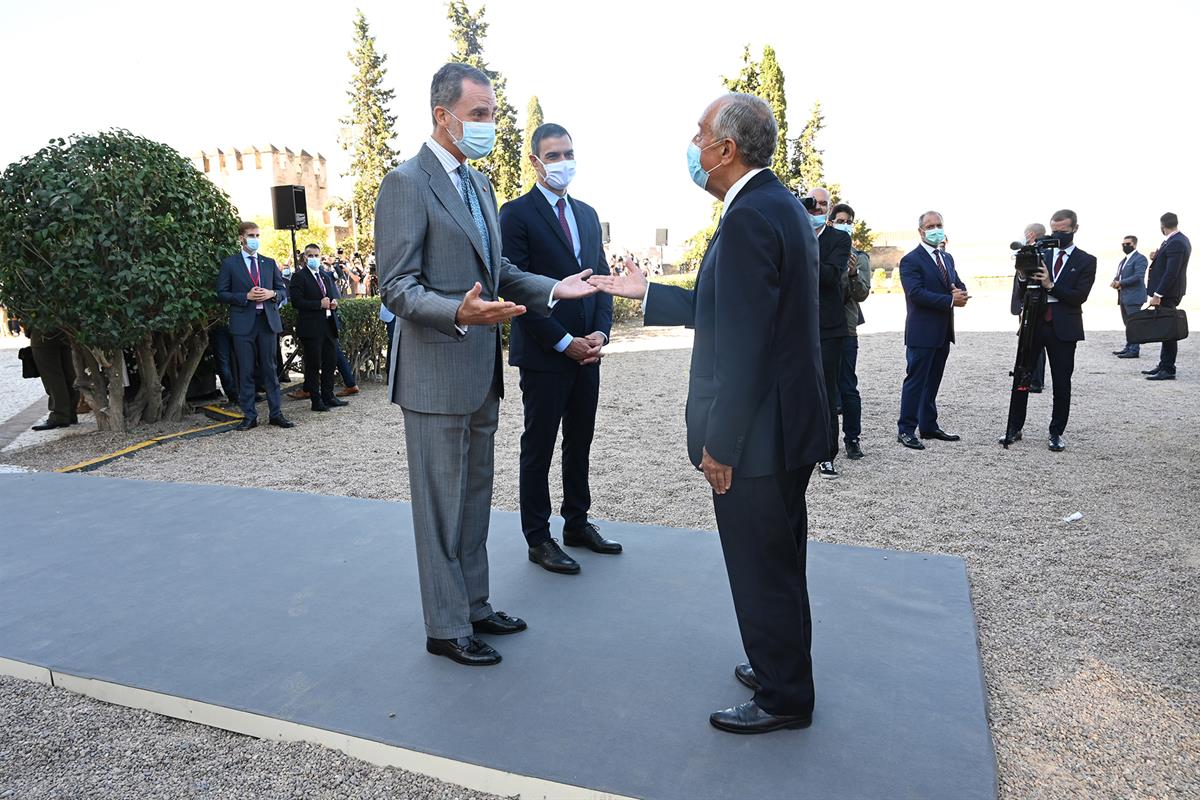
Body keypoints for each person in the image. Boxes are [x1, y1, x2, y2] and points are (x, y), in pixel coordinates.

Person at [590, 92, 829, 735]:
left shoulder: (751, 214)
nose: (693, 145)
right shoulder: (773, 205)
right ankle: (779, 664)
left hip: (757, 434)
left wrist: (721, 443)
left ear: (727, 148)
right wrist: (649, 292)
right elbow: (730, 308)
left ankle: (783, 696)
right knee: (779, 556)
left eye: (700, 134)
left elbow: (747, 344)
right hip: (786, 421)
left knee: (760, 563)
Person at [374, 62, 597, 667]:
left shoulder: (478, 185)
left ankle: (474, 606)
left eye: (492, 115)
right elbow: (396, 287)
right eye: (479, 116)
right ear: (442, 116)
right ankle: (444, 627)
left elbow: (499, 275)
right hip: (434, 373)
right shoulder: (405, 183)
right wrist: (457, 313)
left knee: (473, 498)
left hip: (479, 373)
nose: (488, 126)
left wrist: (558, 289)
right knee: (440, 507)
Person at [499, 122, 618, 576]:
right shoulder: (516, 215)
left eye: (567, 153)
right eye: (552, 155)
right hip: (547, 354)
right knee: (539, 445)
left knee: (580, 441)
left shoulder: (587, 214)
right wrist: (564, 342)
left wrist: (600, 336)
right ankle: (538, 537)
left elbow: (601, 279)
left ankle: (577, 522)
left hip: (588, 353)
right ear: (534, 161)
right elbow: (516, 289)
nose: (562, 162)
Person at [1001, 209, 1096, 450]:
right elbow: (1022, 289)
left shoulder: (1086, 260)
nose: (1057, 235)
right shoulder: (1041, 253)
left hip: (1064, 327)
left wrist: (1050, 285)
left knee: (1062, 382)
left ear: (1075, 228)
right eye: (1054, 230)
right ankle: (1014, 428)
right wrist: (1022, 275)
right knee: (1022, 376)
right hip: (1034, 323)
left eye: (1063, 231)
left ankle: (1056, 432)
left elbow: (1078, 297)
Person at [897, 211, 967, 450]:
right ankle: (906, 429)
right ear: (920, 231)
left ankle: (928, 425)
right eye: (930, 226)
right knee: (916, 381)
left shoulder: (947, 257)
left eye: (939, 225)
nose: (935, 229)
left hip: (943, 331)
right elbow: (915, 294)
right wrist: (950, 300)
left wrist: (961, 293)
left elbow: (957, 282)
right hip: (922, 332)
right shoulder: (911, 260)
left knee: (933, 381)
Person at [216, 222, 293, 431]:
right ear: (241, 237)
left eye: (258, 235)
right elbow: (221, 293)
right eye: (251, 235)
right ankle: (250, 415)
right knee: (246, 370)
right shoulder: (230, 264)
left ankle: (276, 413)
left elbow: (283, 290)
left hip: (267, 322)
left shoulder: (268, 263)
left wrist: (273, 294)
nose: (255, 239)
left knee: (270, 369)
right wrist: (245, 297)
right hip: (243, 324)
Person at [803, 187, 851, 479]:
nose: (818, 209)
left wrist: (800, 255)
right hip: (795, 326)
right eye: (813, 204)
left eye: (823, 205)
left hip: (828, 329)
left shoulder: (839, 239)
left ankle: (827, 454)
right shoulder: (791, 233)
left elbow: (831, 275)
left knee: (827, 393)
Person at [829, 203, 871, 460]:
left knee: (847, 386)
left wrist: (853, 273)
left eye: (849, 221)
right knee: (823, 389)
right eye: (841, 220)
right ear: (831, 222)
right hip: (821, 328)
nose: (845, 224)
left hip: (846, 329)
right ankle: (823, 443)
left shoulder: (860, 256)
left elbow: (862, 294)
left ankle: (852, 439)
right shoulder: (820, 249)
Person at [291, 243, 349, 413]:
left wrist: (333, 304)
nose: (314, 258)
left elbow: (331, 297)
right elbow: (296, 302)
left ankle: (328, 395)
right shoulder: (299, 277)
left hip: (328, 325)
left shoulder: (324, 276)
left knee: (330, 362)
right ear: (304, 257)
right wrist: (318, 304)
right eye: (310, 255)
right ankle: (316, 401)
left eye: (317, 255)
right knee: (313, 365)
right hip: (311, 328)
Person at [1144, 213, 1190, 381]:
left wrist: (1158, 294)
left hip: (1168, 294)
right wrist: (1156, 258)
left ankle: (1168, 368)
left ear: (1163, 225)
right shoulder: (1175, 240)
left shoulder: (1176, 241)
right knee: (1166, 328)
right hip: (1169, 292)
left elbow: (1172, 272)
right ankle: (1164, 364)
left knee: (1168, 330)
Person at [1011, 223, 1047, 392]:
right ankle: (1033, 377)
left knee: (1033, 341)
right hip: (1029, 301)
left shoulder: (1038, 254)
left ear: (1031, 235)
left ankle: (1034, 379)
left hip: (1033, 303)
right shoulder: (1031, 252)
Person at [28, 326, 80, 431]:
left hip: (42, 332)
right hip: (65, 332)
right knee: (68, 374)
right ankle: (69, 413)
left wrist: (29, 330)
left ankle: (60, 415)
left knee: (52, 378)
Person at [1111, 235, 1149, 358]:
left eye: (1128, 244)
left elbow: (1138, 276)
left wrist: (1120, 283)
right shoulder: (1124, 260)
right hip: (1124, 296)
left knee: (1134, 324)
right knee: (1128, 323)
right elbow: (1120, 275)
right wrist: (1115, 281)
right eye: (1123, 244)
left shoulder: (1140, 259)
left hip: (1134, 297)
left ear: (1135, 245)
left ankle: (1134, 349)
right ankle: (1129, 346)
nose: (1125, 246)